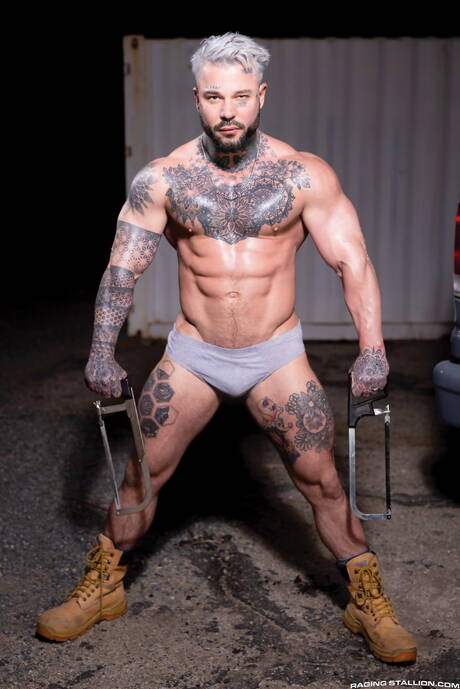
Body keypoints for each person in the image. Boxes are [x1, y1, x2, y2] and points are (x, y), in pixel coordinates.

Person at [36, 31, 416, 664]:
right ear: (197, 99)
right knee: (141, 475)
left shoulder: (303, 174)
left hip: (275, 353)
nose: (228, 111)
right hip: (195, 354)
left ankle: (366, 599)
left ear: (261, 96)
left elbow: (352, 262)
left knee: (321, 481)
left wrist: (372, 348)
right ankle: (102, 587)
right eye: (215, 97)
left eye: (241, 96)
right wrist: (101, 349)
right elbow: (122, 270)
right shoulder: (164, 178)